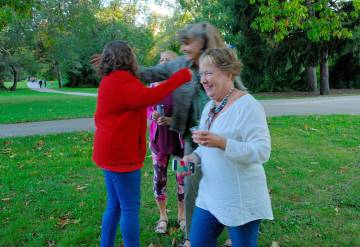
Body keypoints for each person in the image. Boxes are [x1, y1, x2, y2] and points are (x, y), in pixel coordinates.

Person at [92, 40, 191, 247]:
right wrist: (181, 76)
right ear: (128, 58)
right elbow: (150, 97)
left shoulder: (112, 78)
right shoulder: (121, 81)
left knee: (115, 205)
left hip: (112, 153)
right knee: (128, 207)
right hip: (122, 156)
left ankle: (106, 243)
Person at [138, 22, 227, 247]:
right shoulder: (179, 65)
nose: (184, 47)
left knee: (221, 183)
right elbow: (148, 73)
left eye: (189, 42)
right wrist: (119, 65)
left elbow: (240, 93)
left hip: (219, 140)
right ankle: (190, 238)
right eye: (183, 42)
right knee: (189, 187)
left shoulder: (222, 65)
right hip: (189, 141)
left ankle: (235, 230)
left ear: (204, 42)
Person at [183, 48, 273, 247]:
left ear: (228, 73)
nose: (203, 80)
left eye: (208, 73)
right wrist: (193, 158)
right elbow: (206, 147)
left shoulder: (248, 106)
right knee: (198, 242)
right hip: (209, 196)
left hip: (239, 200)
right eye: (201, 75)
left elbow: (262, 151)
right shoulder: (210, 107)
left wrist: (222, 143)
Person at [147, 50, 186, 234]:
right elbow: (147, 109)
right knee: (159, 180)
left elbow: (188, 116)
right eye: (161, 59)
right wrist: (153, 115)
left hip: (180, 143)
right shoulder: (153, 85)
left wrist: (171, 120)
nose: (163, 62)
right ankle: (163, 217)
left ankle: (182, 216)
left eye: (167, 60)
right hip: (159, 142)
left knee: (183, 180)